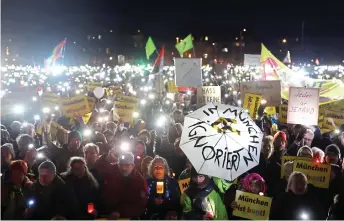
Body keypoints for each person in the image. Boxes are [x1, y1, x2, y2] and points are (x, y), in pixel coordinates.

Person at [101, 152, 148, 219]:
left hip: (128, 217)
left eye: (127, 165)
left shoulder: (139, 181)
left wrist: (120, 212)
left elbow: (140, 205)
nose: (124, 168)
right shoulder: (110, 174)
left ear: (133, 166)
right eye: (121, 165)